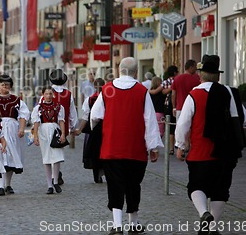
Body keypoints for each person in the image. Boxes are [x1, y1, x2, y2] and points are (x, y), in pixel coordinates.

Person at [175, 55, 246, 234]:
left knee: (196, 186)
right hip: (226, 153)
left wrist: (180, 146)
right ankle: (213, 226)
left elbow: (183, 123)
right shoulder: (230, 93)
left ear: (201, 75)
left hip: (201, 151)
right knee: (220, 190)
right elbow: (244, 118)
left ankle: (204, 213)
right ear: (218, 75)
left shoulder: (195, 94)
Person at [90, 57, 163, 235]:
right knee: (133, 185)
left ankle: (117, 225)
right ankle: (134, 222)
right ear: (136, 72)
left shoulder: (107, 89)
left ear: (119, 70)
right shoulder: (141, 91)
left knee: (114, 186)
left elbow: (95, 115)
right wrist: (153, 147)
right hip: (135, 148)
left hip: (111, 147)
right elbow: (150, 120)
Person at [0, 74, 29, 195]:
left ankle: (7, 184)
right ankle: (0, 186)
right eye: (2, 85)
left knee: (11, 156)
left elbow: (23, 115)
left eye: (7, 85)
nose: (5, 87)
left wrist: (22, 129)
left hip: (13, 130)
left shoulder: (17, 100)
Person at [42, 69, 78, 185]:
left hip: (47, 126)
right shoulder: (68, 94)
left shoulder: (46, 93)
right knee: (57, 149)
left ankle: (54, 174)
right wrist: (72, 126)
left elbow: (40, 109)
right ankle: (56, 173)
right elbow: (72, 112)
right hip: (62, 126)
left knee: (49, 150)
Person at [31, 86, 65, 194]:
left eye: (50, 94)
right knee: (46, 157)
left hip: (55, 130)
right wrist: (35, 136)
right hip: (43, 131)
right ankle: (49, 184)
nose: (49, 96)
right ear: (43, 95)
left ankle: (55, 180)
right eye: (47, 94)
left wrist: (63, 133)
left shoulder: (59, 107)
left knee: (57, 156)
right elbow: (36, 122)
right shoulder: (38, 108)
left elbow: (61, 120)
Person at [74, 77, 105, 183]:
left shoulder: (90, 99)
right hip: (106, 128)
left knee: (95, 152)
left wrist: (80, 129)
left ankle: (97, 175)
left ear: (94, 87)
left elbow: (86, 116)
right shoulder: (109, 98)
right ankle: (107, 173)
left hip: (95, 128)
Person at [162, 65, 179, 155]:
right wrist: (172, 88)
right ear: (175, 72)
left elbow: (163, 91)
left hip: (167, 105)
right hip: (177, 105)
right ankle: (180, 146)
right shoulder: (178, 81)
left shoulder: (166, 82)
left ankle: (171, 148)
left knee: (170, 128)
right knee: (178, 126)